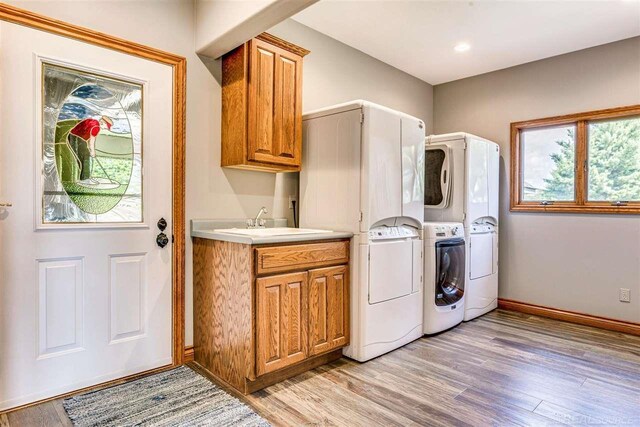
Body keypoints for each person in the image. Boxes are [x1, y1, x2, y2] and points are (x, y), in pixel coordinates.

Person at [67, 115, 113, 182]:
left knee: (78, 158)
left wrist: (88, 148)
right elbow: (92, 141)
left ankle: (79, 178)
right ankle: (84, 180)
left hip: (71, 137)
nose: (105, 128)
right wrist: (93, 152)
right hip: (77, 138)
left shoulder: (92, 121)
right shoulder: (96, 127)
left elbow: (86, 135)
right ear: (103, 122)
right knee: (84, 158)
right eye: (106, 126)